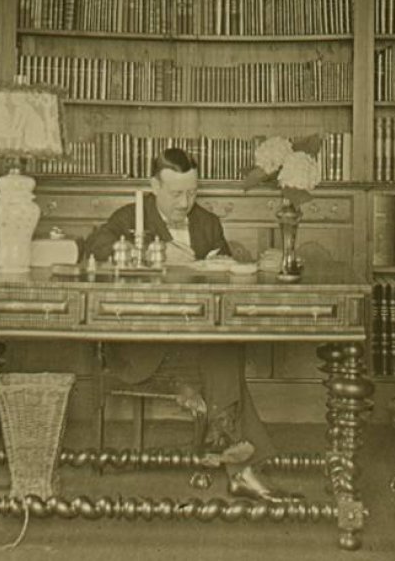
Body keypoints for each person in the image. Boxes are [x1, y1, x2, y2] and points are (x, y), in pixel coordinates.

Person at [82, 147, 299, 503]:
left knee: (222, 343)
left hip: (193, 339)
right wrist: (152, 252)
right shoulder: (128, 217)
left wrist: (241, 263)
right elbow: (96, 247)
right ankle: (241, 464)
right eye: (176, 193)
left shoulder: (208, 223)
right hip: (142, 345)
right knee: (222, 351)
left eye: (193, 191)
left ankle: (240, 464)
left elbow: (227, 264)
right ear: (154, 186)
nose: (186, 202)